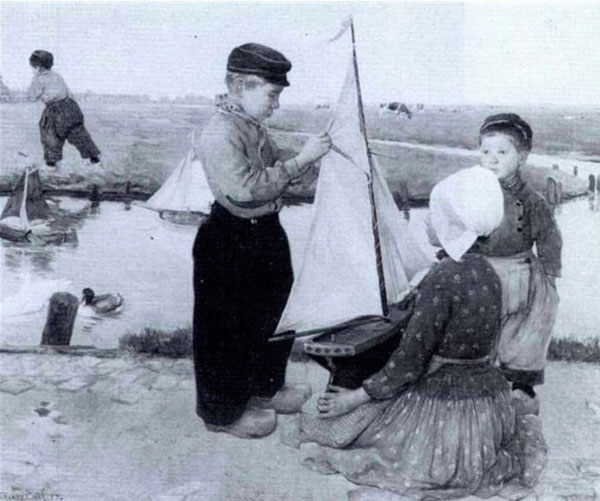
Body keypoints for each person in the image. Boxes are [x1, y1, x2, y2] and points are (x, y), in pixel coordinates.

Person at [282, 167, 546, 499]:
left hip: (444, 407)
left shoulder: (442, 277)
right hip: (485, 405)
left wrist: (353, 397)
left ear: (453, 225)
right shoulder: (488, 272)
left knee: (343, 426)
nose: (424, 223)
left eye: (433, 218)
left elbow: (408, 363)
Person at [192, 43, 331, 439]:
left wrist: (319, 162)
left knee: (275, 313)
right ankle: (223, 412)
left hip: (265, 233)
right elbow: (246, 189)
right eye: (272, 94)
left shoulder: (252, 127)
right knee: (226, 329)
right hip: (229, 239)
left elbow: (275, 161)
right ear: (239, 86)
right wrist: (302, 161)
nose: (276, 104)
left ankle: (266, 387)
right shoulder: (219, 133)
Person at [477, 113, 562, 413]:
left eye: (502, 152)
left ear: (522, 156)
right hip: (482, 271)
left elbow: (549, 236)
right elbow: (456, 226)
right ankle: (478, 382)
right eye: (486, 152)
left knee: (525, 330)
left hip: (520, 273)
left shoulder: (533, 201)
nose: (492, 159)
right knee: (480, 327)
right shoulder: (473, 193)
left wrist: (550, 270)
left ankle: (521, 387)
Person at [27, 50, 101, 169]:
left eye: (32, 67)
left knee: (50, 135)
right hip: (71, 107)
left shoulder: (39, 79)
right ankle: (95, 160)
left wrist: (33, 82)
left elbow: (31, 97)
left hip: (55, 110)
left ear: (38, 67)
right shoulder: (57, 75)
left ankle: (52, 165)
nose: (32, 70)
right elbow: (68, 93)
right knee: (79, 134)